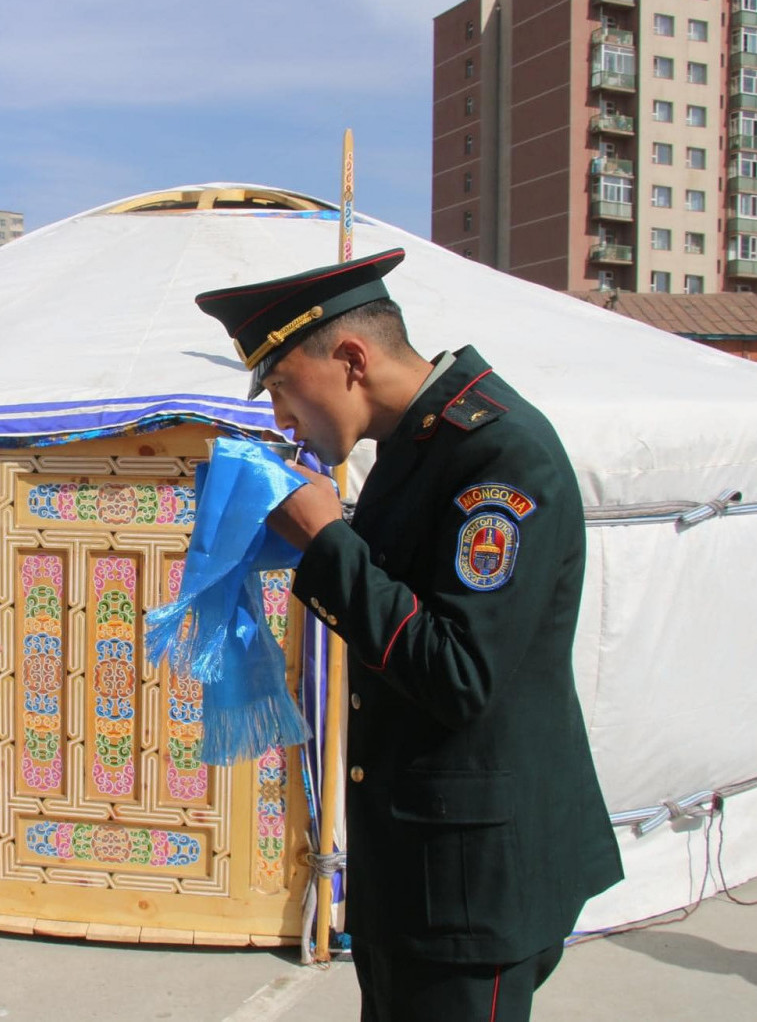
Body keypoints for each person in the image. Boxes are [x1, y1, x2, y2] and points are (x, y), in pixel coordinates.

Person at [197, 248, 623, 1022]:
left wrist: (328, 542)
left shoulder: (496, 453)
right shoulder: (415, 445)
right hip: (418, 871)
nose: (279, 419)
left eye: (283, 389)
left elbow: (461, 671)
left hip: (471, 885)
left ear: (351, 358)